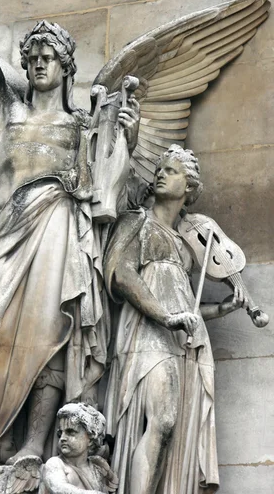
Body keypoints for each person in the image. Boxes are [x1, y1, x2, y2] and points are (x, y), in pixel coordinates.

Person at [0, 0, 140, 466]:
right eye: (31, 57)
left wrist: (125, 135)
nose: (38, 63)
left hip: (57, 223)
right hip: (7, 232)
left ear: (66, 67)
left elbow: (109, 188)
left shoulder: (80, 124)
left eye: (48, 57)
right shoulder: (5, 110)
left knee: (51, 332)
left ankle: (33, 444)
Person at [103, 145, 248, 494]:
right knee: (163, 420)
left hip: (184, 341)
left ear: (190, 187)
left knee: (174, 428)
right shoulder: (136, 221)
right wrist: (166, 317)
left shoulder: (186, 247)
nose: (161, 174)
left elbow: (188, 307)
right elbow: (122, 274)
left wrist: (220, 310)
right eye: (160, 168)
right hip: (146, 332)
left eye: (171, 170)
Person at [41, 403, 118, 494]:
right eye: (60, 433)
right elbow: (58, 488)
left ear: (90, 438)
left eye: (70, 432)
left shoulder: (96, 468)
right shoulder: (55, 463)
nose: (62, 438)